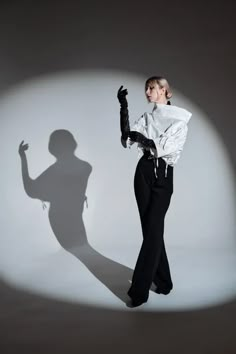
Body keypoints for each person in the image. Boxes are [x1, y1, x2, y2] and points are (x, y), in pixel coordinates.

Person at [117, 76, 192, 307]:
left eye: (152, 88)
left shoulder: (180, 118)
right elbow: (128, 135)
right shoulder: (148, 117)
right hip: (143, 172)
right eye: (146, 88)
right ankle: (164, 282)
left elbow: (166, 148)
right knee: (149, 229)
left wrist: (142, 138)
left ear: (164, 90)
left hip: (163, 175)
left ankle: (139, 291)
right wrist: (124, 107)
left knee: (153, 229)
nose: (147, 92)